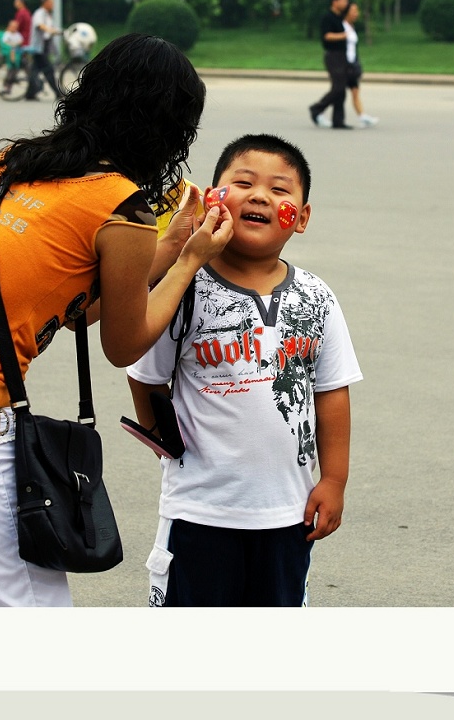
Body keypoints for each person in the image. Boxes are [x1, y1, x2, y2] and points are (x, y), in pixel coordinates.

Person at [0, 33, 234, 608]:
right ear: (170, 126)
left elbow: (75, 298)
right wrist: (189, 260)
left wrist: (175, 237)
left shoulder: (16, 161)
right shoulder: (123, 205)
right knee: (31, 619)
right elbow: (123, 342)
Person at [126, 133, 363, 607]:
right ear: (213, 198)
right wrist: (167, 446)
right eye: (242, 183)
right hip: (198, 512)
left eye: (280, 190)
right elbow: (145, 376)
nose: (260, 196)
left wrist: (334, 480)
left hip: (287, 516)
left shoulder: (316, 297)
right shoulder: (183, 288)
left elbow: (332, 392)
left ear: (302, 217)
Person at [308, 0, 352, 129]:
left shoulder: (340, 17)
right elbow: (326, 36)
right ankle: (317, 108)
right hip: (333, 55)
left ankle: (338, 121)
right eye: (344, 0)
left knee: (341, 89)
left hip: (342, 55)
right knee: (338, 88)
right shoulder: (328, 17)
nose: (346, 3)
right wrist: (344, 35)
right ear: (335, 1)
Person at [343, 2, 379, 128]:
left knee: (355, 90)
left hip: (352, 64)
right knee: (337, 93)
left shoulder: (351, 26)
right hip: (344, 65)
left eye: (357, 11)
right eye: (353, 11)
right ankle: (318, 110)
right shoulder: (341, 26)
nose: (356, 14)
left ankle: (362, 116)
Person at [25, 0, 62, 101]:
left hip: (44, 47)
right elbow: (40, 25)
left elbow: (52, 27)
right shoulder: (39, 13)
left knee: (34, 70)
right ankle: (57, 92)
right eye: (51, 2)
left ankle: (30, 94)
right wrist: (49, 30)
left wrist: (59, 31)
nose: (53, 4)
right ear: (45, 2)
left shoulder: (47, 14)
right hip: (38, 47)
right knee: (48, 70)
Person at [0, 18, 25, 95]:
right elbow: (4, 43)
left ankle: (8, 86)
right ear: (9, 27)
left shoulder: (17, 34)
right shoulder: (7, 34)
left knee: (15, 71)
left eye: (16, 27)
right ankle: (6, 87)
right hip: (9, 53)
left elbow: (21, 42)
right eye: (13, 26)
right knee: (11, 71)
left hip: (17, 52)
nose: (14, 28)